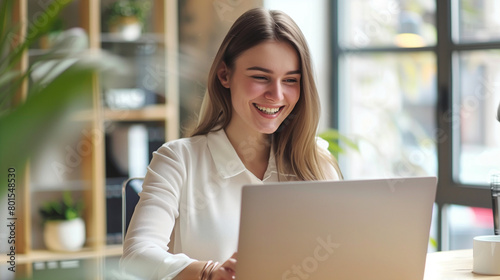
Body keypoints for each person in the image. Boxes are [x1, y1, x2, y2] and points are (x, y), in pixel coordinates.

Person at [120, 7, 342, 280]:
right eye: (261, 77)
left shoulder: (316, 163)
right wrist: (210, 272)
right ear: (225, 75)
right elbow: (137, 256)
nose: (277, 94)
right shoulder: (179, 160)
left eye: (290, 80)